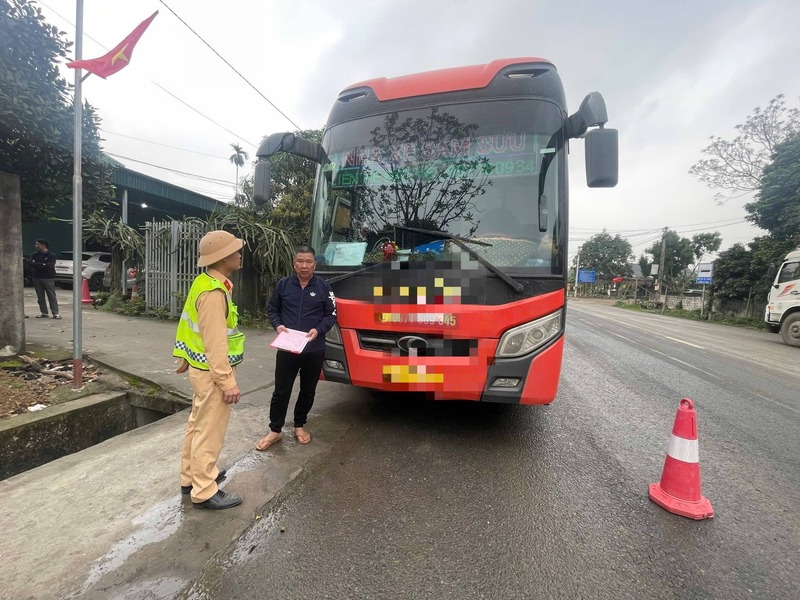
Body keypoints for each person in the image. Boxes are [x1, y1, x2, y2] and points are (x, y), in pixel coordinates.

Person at [173, 230, 246, 510]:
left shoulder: (203, 283)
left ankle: (190, 478)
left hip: (200, 369)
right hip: (212, 373)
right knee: (209, 431)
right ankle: (204, 490)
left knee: (196, 425)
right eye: (236, 250)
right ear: (223, 256)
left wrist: (184, 356)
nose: (239, 254)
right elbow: (216, 344)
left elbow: (186, 324)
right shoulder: (214, 293)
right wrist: (228, 382)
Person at [256, 245, 337, 450]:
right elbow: (273, 309)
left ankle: (300, 425)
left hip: (314, 348)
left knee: (308, 390)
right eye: (300, 261)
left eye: (308, 262)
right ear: (294, 263)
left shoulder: (323, 287)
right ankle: (275, 430)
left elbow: (332, 315)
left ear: (314, 264)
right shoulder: (284, 285)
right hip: (288, 349)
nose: (304, 265)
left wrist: (318, 330)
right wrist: (278, 325)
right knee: (281, 391)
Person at [30, 239, 60, 319]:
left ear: (43, 245)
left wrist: (36, 265)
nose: (36, 246)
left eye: (37, 244)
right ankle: (44, 312)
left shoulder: (51, 255)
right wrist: (41, 265)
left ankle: (55, 313)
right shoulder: (35, 254)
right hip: (37, 277)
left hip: (48, 277)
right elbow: (30, 264)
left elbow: (49, 266)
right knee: (40, 296)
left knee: (51, 295)